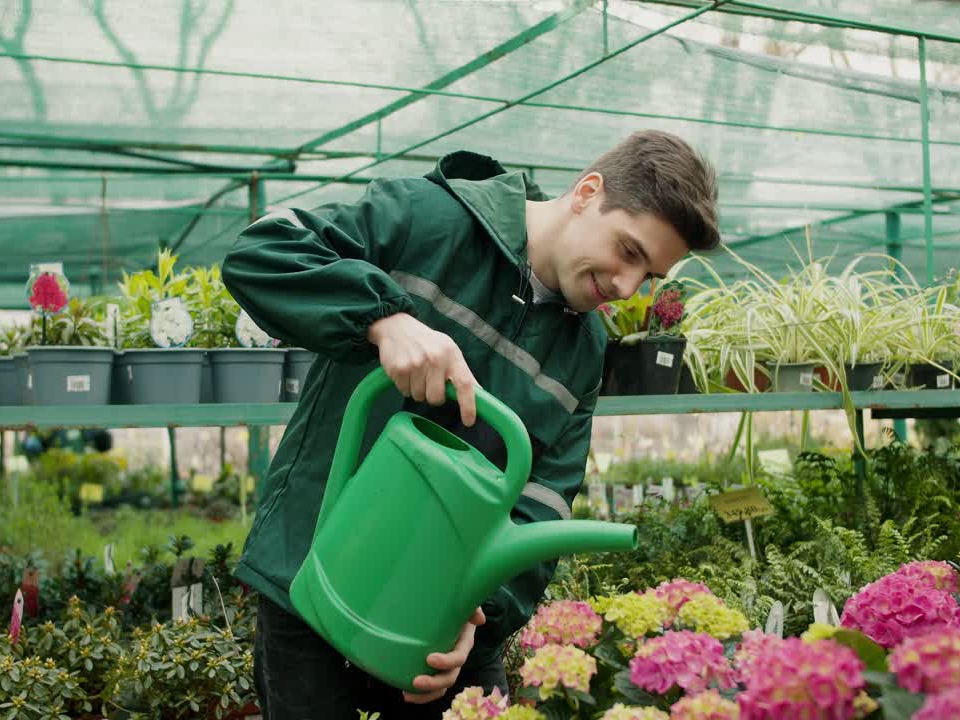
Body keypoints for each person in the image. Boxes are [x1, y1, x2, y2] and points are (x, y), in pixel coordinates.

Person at [221, 129, 720, 719]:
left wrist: (472, 623)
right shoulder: (430, 221)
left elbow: (541, 506)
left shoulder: (583, 351)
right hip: (312, 583)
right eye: (629, 252)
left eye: (650, 276)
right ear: (587, 193)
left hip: (440, 635)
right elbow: (263, 252)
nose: (627, 287)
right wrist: (385, 321)